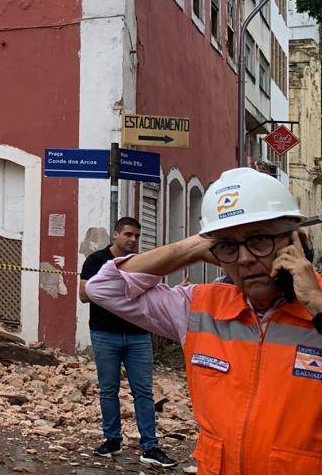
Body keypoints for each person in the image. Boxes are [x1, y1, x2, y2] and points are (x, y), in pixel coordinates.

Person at [87, 167, 322, 475]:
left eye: (259, 239)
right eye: (229, 247)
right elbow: (102, 288)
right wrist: (197, 247)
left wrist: (317, 305)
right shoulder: (199, 307)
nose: (245, 258)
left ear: (296, 241)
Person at [79, 216, 174, 467]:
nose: (133, 240)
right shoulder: (97, 260)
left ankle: (150, 446)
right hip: (105, 333)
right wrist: (118, 289)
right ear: (116, 234)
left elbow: (152, 294)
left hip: (139, 335)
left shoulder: (141, 263)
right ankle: (112, 440)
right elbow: (83, 295)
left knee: (143, 391)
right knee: (108, 390)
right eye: (128, 235)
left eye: (137, 236)